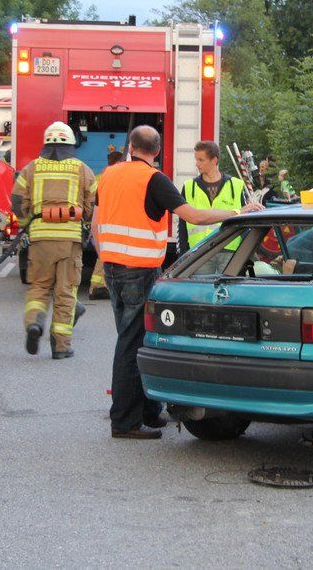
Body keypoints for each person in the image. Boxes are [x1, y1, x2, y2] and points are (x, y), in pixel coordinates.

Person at [91, 125, 262, 439]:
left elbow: (95, 224)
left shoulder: (109, 175)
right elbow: (194, 216)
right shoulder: (154, 179)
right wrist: (238, 212)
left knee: (137, 340)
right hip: (140, 271)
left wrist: (106, 257)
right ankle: (125, 422)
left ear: (130, 147)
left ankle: (148, 412)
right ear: (157, 151)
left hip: (113, 269)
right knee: (133, 344)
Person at [12, 122, 96, 359]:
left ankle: (34, 323)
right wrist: (84, 221)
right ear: (70, 144)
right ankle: (61, 346)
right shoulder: (83, 170)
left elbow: (17, 201)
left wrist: (27, 223)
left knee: (39, 287)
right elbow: (92, 204)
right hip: (69, 241)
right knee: (65, 292)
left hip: (40, 239)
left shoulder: (31, 168)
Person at [178, 140, 247, 255]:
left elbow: (245, 220)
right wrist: (182, 254)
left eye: (201, 160)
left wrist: (244, 253)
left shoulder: (236, 185)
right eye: (196, 159)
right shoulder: (189, 187)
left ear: (214, 160)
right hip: (198, 252)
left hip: (228, 251)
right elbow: (182, 224)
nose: (197, 164)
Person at [89, 150, 124, 300]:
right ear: (118, 163)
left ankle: (100, 286)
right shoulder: (113, 178)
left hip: (97, 221)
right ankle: (97, 287)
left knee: (104, 254)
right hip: (107, 221)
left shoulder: (99, 177)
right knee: (105, 255)